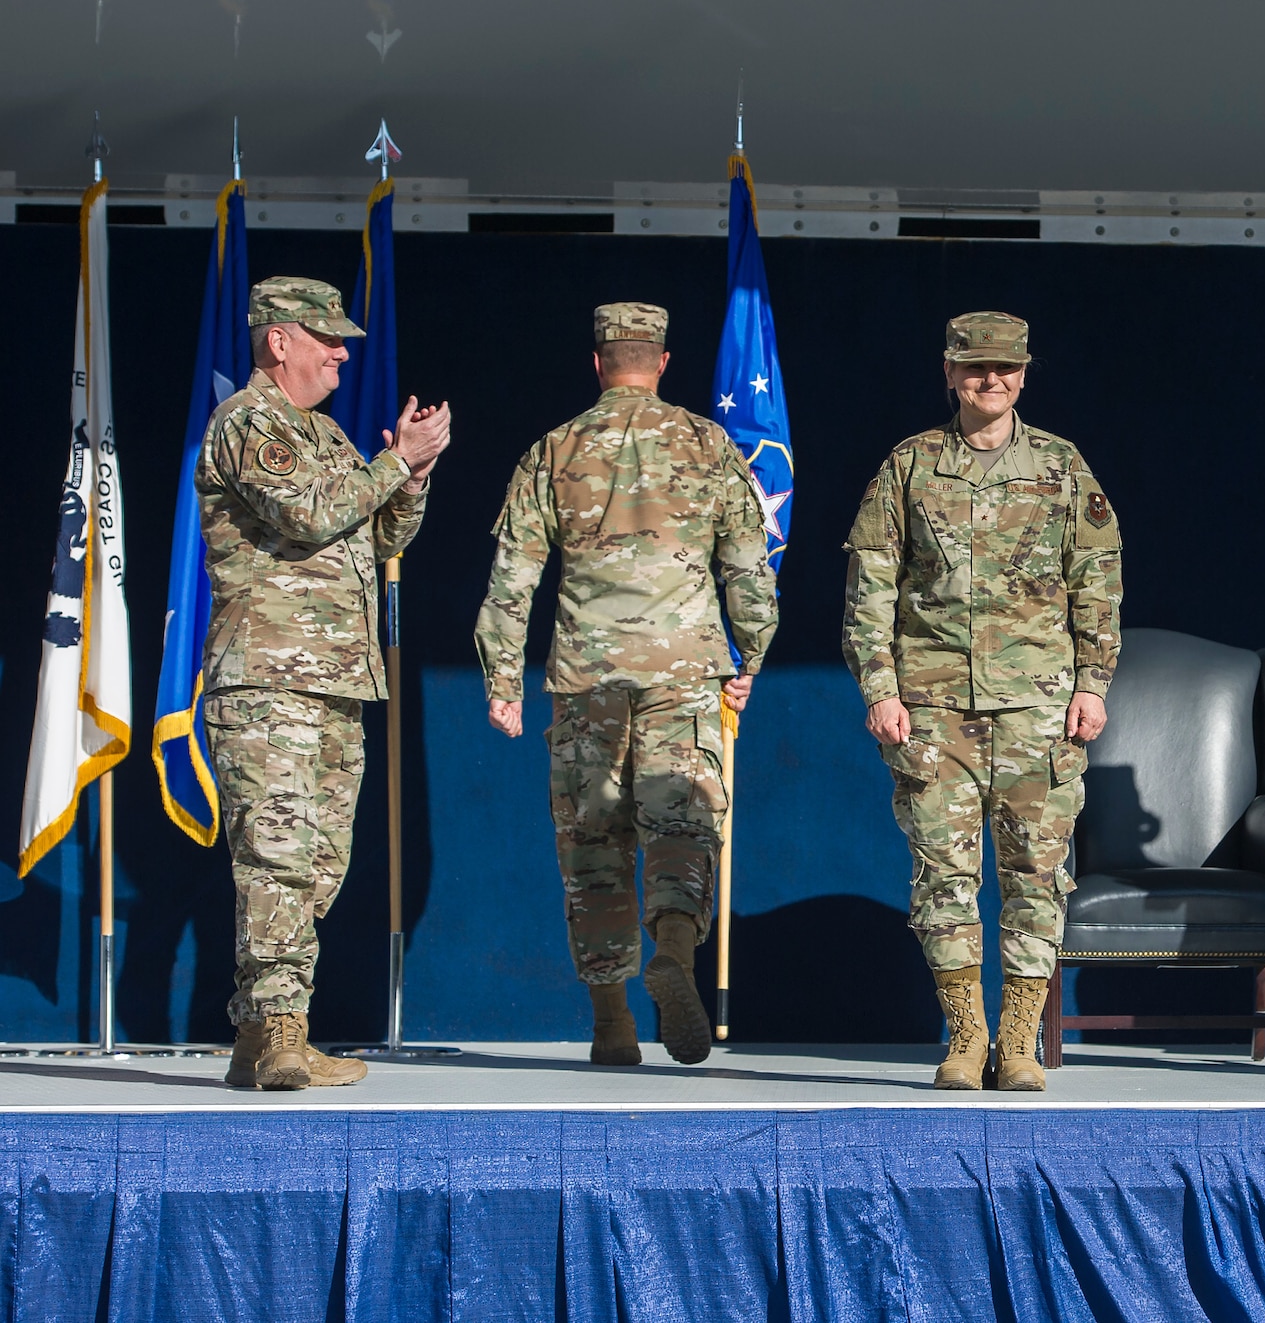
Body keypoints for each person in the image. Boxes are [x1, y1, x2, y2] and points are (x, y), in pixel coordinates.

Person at [475, 302, 777, 1068]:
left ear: (598, 362)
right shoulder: (711, 445)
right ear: (663, 361)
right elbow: (748, 570)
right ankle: (672, 946)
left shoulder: (553, 450)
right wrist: (751, 659)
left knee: (593, 846)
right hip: (684, 669)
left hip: (587, 675)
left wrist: (502, 678)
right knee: (682, 826)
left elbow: (513, 578)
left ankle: (611, 1022)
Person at [841, 311, 1122, 1091]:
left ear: (1024, 374)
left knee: (1037, 874)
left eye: (1003, 369)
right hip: (931, 711)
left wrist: (1093, 684)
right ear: (949, 373)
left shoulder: (1063, 467)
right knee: (942, 877)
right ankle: (966, 1036)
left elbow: (1096, 583)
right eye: (974, 369)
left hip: (1038, 707)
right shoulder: (909, 466)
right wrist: (880, 689)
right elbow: (870, 588)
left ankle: (1019, 1039)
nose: (989, 381)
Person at [202, 276, 451, 1090]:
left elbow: (381, 532)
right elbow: (308, 515)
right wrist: (391, 463)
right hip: (270, 678)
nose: (342, 351)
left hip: (337, 681)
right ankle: (281, 1032)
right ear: (280, 341)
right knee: (275, 858)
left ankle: (256, 1037)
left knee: (316, 866)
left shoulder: (328, 436)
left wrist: (412, 476)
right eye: (325, 337)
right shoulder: (249, 423)